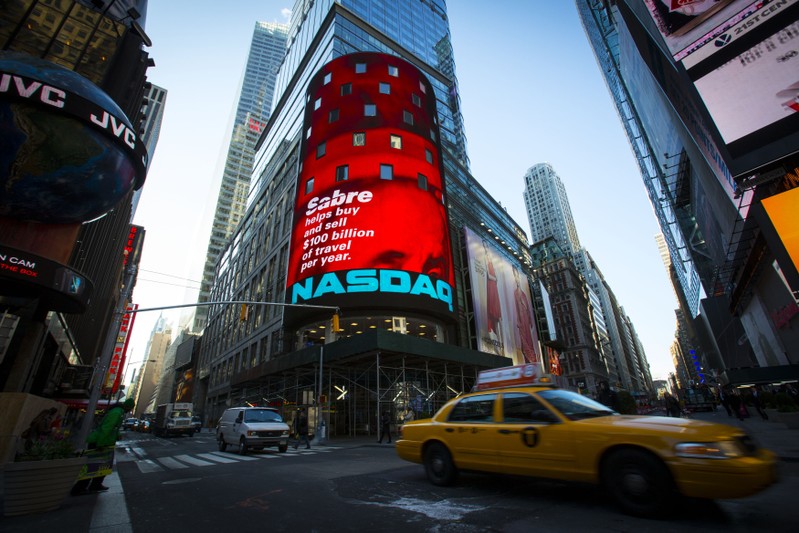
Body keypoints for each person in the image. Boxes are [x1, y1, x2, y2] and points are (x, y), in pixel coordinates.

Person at [72, 398, 134, 494]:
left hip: (105, 441)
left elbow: (112, 428)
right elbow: (106, 428)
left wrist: (116, 436)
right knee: (92, 465)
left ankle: (95, 484)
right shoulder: (117, 413)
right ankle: (79, 488)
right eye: (130, 408)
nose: (130, 410)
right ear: (128, 407)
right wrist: (100, 443)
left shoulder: (118, 412)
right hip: (100, 442)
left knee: (102, 466)